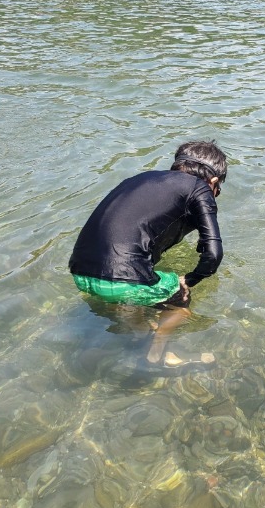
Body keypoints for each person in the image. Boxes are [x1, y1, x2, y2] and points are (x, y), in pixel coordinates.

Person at [69, 140, 227, 374]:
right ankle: (156, 355)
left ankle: (136, 334)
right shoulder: (199, 188)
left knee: (141, 292)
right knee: (180, 300)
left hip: (81, 274)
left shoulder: (137, 180)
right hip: (122, 283)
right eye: (218, 190)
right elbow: (213, 256)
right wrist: (189, 280)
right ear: (213, 182)